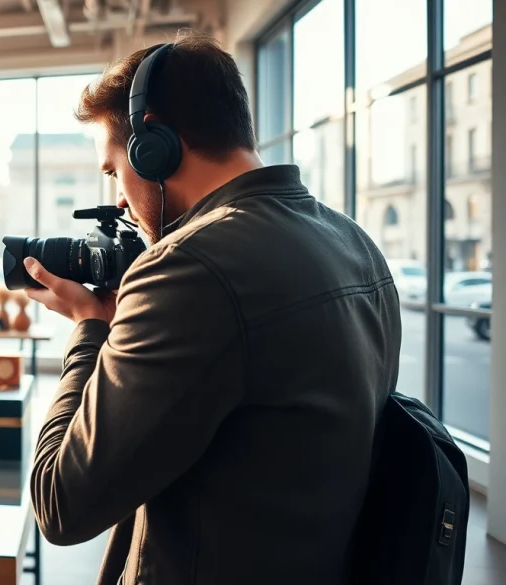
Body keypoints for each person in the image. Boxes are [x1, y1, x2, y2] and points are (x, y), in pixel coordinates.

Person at [24, 30, 401, 585]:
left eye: (114, 171)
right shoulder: (353, 241)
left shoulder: (186, 270)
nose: (120, 200)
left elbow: (60, 502)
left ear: (152, 147)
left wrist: (90, 328)